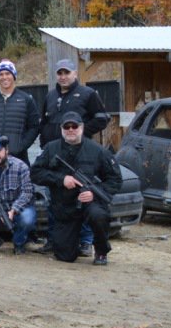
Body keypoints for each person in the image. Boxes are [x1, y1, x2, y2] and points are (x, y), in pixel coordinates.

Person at [38, 59, 111, 257]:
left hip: (78, 156)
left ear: (75, 74)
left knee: (81, 197)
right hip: (54, 156)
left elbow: (103, 119)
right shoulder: (51, 96)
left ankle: (86, 241)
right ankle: (53, 239)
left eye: (67, 72)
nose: (63, 76)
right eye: (59, 73)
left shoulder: (87, 94)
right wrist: (45, 144)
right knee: (54, 200)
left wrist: (79, 133)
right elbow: (44, 122)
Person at [32, 111, 122, 265]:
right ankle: (74, 243)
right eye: (67, 126)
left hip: (91, 202)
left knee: (98, 215)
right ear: (61, 129)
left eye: (75, 126)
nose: (71, 129)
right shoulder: (51, 149)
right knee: (65, 256)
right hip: (65, 206)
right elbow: (35, 173)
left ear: (82, 127)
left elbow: (115, 179)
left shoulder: (98, 151)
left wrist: (94, 194)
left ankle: (101, 250)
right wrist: (61, 179)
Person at [0, 59, 39, 165]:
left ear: (14, 76)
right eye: (1, 74)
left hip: (18, 158)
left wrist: (22, 146)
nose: (4, 77)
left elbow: (34, 126)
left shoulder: (26, 99)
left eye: (8, 73)